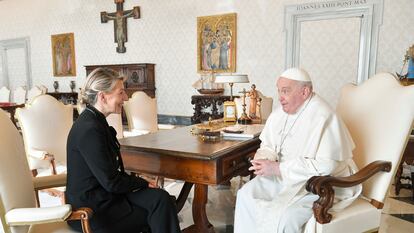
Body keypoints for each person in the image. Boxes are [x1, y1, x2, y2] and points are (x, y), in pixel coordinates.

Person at [234, 68, 361, 233]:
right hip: (284, 178)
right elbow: (268, 146)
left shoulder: (323, 116)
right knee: (245, 195)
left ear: (305, 92)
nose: (280, 97)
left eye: (285, 91)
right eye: (279, 90)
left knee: (286, 216)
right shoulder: (278, 114)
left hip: (319, 184)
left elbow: (326, 167)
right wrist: (264, 159)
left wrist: (278, 168)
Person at [66, 68, 181, 233]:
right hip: (93, 212)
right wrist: (143, 183)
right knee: (159, 208)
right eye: (121, 93)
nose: (126, 98)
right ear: (102, 96)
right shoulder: (89, 129)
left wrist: (143, 185)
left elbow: (111, 177)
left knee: (160, 199)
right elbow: (111, 182)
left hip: (106, 197)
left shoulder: (94, 122)